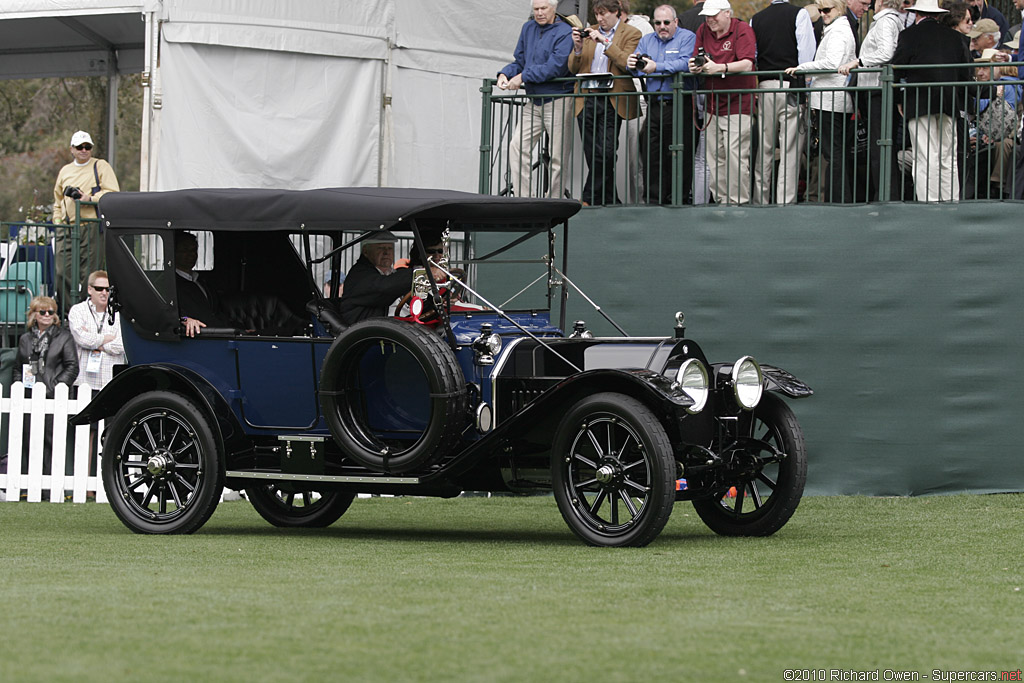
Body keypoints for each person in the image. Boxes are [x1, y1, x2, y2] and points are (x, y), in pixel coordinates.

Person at [891, 0, 974, 202]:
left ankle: (929, 202)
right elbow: (965, 75)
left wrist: (899, 100)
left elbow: (896, 70)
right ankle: (950, 200)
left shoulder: (909, 35)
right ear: (937, 15)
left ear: (917, 14)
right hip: (949, 101)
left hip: (919, 101)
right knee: (948, 156)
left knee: (925, 156)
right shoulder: (956, 38)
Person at [498, 0, 575, 199]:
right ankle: (525, 199)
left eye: (543, 9)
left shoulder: (565, 31)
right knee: (517, 147)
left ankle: (554, 200)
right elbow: (520, 61)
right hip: (534, 100)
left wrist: (523, 77)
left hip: (558, 98)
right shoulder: (528, 28)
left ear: (554, 8)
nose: (539, 13)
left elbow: (556, 67)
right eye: (536, 9)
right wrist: (505, 73)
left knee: (558, 155)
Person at [568, 0, 642, 205]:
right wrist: (577, 48)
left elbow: (627, 63)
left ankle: (589, 197)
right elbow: (573, 68)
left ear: (616, 12)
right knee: (592, 153)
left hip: (612, 97)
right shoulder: (589, 31)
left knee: (607, 151)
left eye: (604, 14)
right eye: (597, 15)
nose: (600, 19)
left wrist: (605, 42)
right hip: (587, 97)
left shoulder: (631, 33)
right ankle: (611, 200)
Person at [839, 0, 909, 202]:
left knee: (880, 144)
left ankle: (885, 195)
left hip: (877, 89)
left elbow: (887, 52)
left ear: (880, 2)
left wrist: (859, 62)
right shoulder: (890, 21)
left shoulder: (886, 22)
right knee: (882, 145)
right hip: (878, 88)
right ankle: (887, 193)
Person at [689, 0, 758, 205]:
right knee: (714, 157)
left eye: (714, 15)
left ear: (727, 13)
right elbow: (696, 58)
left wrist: (721, 68)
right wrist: (695, 67)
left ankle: (738, 202)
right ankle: (721, 201)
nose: (710, 20)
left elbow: (747, 63)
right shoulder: (703, 29)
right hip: (712, 103)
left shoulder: (742, 29)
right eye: (707, 16)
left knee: (736, 156)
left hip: (738, 103)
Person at [788, 0, 857, 203]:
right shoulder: (837, 29)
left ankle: (839, 199)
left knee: (833, 153)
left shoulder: (837, 31)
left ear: (838, 9)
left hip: (831, 100)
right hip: (832, 99)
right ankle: (839, 198)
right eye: (820, 10)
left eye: (826, 10)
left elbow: (832, 62)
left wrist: (803, 67)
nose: (823, 14)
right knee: (834, 153)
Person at [628, 5, 697, 205]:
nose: (662, 26)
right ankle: (653, 199)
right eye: (657, 23)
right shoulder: (647, 39)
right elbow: (635, 66)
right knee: (651, 152)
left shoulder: (687, 37)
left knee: (678, 154)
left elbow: (685, 63)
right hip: (655, 104)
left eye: (666, 22)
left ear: (675, 22)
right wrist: (633, 63)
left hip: (679, 103)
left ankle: (678, 198)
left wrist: (656, 66)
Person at [751, 0, 817, 204]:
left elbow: (754, 55)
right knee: (790, 150)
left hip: (764, 87)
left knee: (765, 148)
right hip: (790, 87)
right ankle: (784, 202)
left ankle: (759, 200)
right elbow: (806, 55)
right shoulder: (799, 15)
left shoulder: (757, 19)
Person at [51, 131, 120, 313]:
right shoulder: (65, 171)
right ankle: (69, 314)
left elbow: (112, 192)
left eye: (87, 147)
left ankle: (85, 313)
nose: (84, 150)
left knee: (89, 274)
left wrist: (89, 198)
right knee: (61, 272)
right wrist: (57, 220)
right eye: (80, 147)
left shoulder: (100, 166)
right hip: (66, 227)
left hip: (90, 226)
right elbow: (57, 200)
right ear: (72, 149)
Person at [337, 230, 414, 326]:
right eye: (381, 248)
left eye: (390, 248)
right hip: (367, 334)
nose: (386, 253)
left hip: (393, 327)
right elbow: (385, 287)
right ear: (366, 251)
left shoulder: (390, 273)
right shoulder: (360, 275)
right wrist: (417, 274)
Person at [67, 270, 125, 391]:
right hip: (84, 381)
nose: (104, 293)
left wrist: (95, 342)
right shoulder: (78, 311)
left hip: (110, 380)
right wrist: (106, 338)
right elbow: (81, 339)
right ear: (90, 290)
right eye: (99, 288)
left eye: (108, 289)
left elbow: (122, 345)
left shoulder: (119, 314)